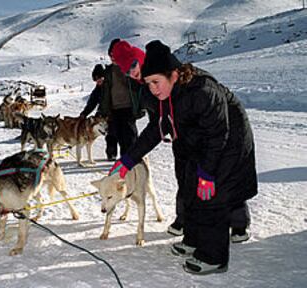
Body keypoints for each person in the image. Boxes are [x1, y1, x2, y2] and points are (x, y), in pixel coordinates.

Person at [109, 40, 258, 275]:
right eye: (148, 84)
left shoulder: (202, 91)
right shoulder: (167, 97)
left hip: (229, 140)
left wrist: (208, 172)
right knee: (188, 185)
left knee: (212, 196)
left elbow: (218, 134)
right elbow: (156, 129)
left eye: (156, 82)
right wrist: (129, 159)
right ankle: (193, 239)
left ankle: (213, 257)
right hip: (200, 140)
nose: (153, 89)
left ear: (174, 74)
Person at [97, 39, 145, 159]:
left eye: (115, 55)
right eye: (111, 55)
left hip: (129, 106)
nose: (113, 57)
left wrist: (141, 106)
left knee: (129, 135)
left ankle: (129, 158)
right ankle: (114, 154)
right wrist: (102, 109)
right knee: (114, 133)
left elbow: (139, 87)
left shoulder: (129, 68)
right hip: (113, 108)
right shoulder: (107, 72)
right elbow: (102, 93)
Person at [79, 64, 118, 160]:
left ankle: (126, 155)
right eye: (96, 80)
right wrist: (84, 113)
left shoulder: (112, 85)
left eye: (100, 79)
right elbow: (92, 103)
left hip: (116, 113)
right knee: (109, 135)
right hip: (104, 115)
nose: (98, 82)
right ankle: (111, 154)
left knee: (118, 134)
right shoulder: (97, 90)